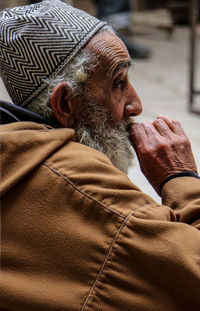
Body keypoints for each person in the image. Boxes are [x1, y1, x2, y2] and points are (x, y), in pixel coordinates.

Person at [0, 1, 200, 310]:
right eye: (118, 84)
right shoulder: (92, 193)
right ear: (65, 104)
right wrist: (181, 178)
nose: (136, 105)